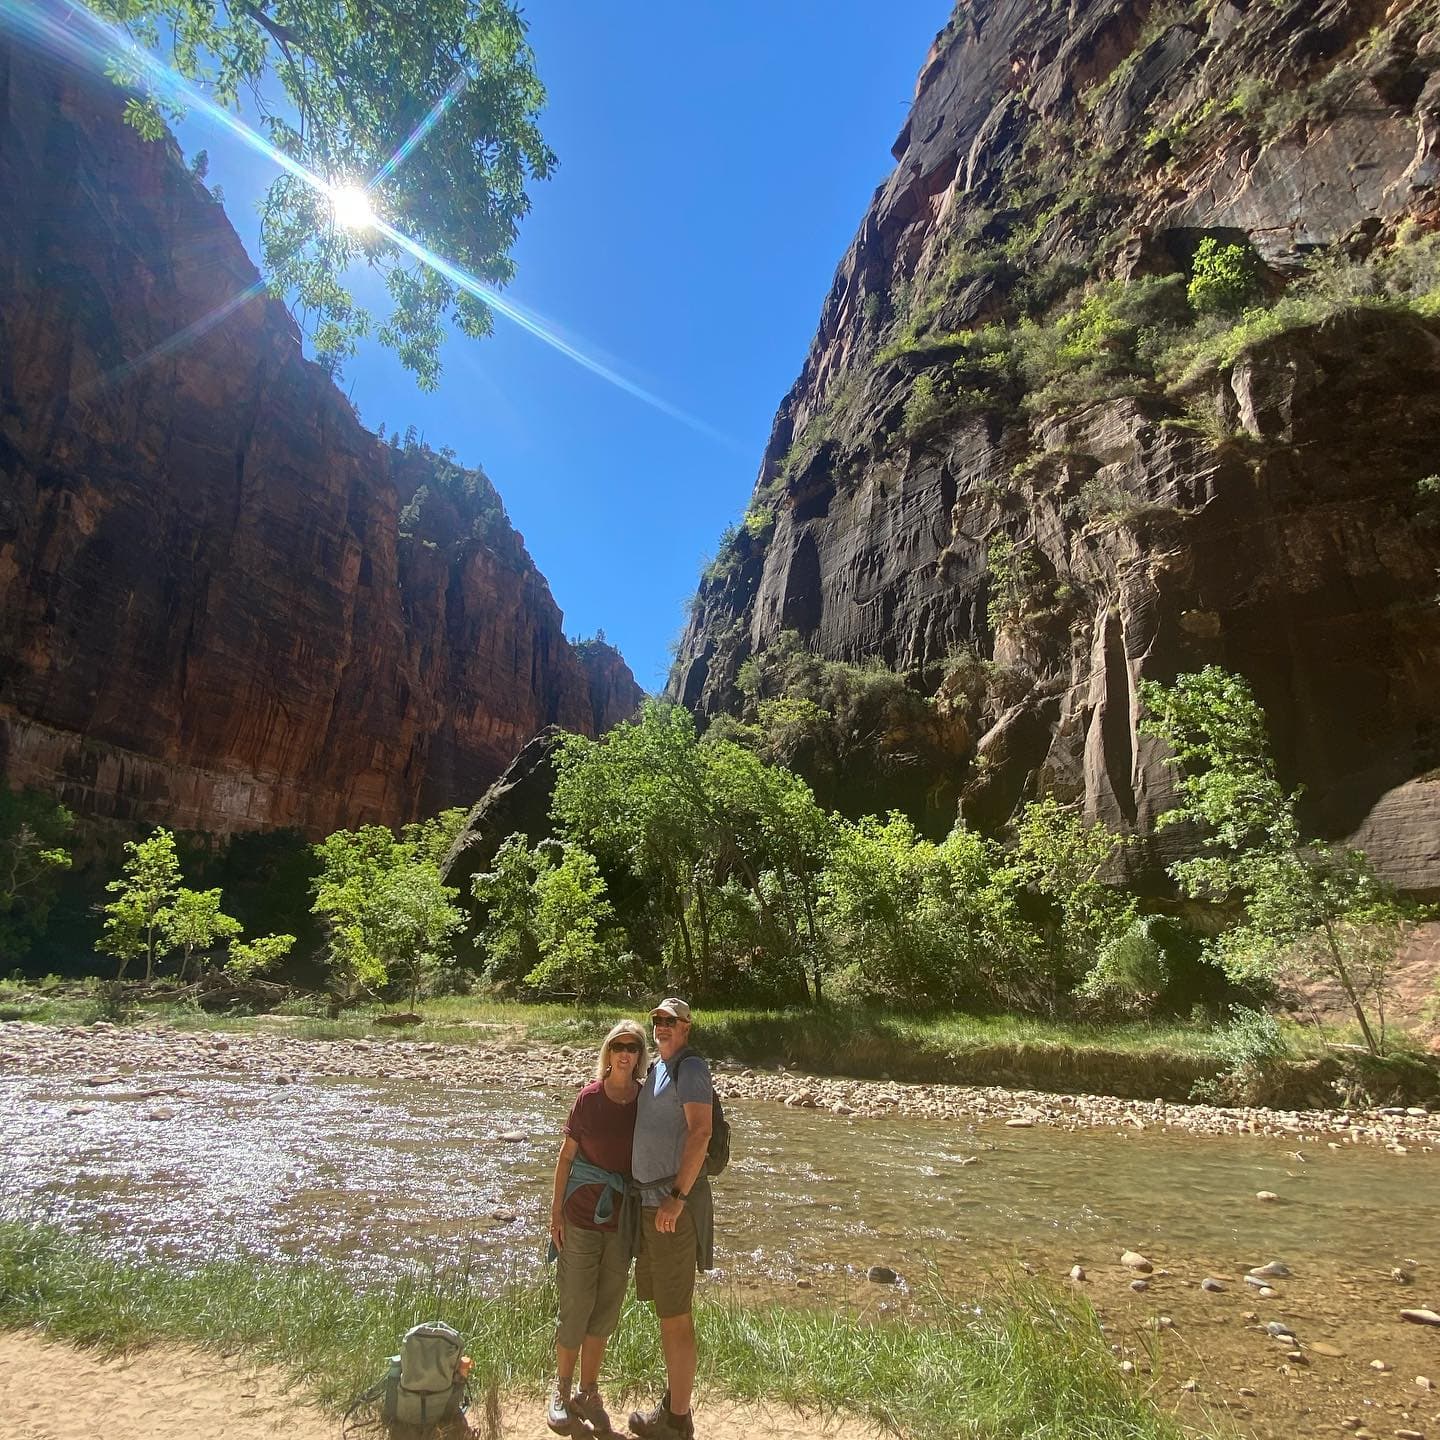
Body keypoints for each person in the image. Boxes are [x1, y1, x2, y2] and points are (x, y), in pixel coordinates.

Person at [547, 1019, 647, 1436]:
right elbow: (566, 1157)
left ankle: (589, 1391)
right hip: (581, 1215)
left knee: (606, 1308)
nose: (625, 1053)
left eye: (633, 1047)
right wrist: (554, 1213)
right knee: (575, 1304)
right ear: (607, 1052)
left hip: (621, 1221)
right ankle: (562, 1390)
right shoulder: (588, 1098)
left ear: (640, 1056)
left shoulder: (647, 1100)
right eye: (618, 1046)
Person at [628, 998, 714, 1440]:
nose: (661, 1026)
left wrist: (677, 1198)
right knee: (667, 1312)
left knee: (675, 1315)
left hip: (671, 1210)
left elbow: (702, 1131)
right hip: (651, 1206)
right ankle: (674, 1408)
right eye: (657, 1020)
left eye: (670, 1021)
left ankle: (677, 1421)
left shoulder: (691, 1067)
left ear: (686, 1027)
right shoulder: (658, 1069)